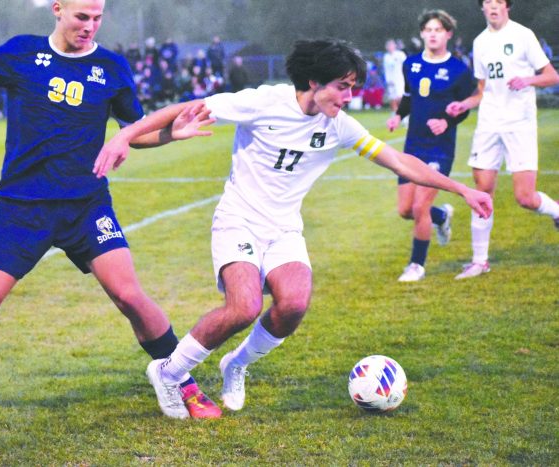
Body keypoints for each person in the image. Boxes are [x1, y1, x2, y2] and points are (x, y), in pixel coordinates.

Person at [0, 0, 220, 420]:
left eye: (98, 17)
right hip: (22, 206)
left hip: (85, 205)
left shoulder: (112, 67)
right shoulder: (22, 53)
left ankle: (181, 380)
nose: (90, 26)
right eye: (82, 16)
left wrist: (170, 135)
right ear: (58, 9)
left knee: (130, 295)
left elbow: (133, 134)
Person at [95, 39, 493, 414]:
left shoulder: (340, 125)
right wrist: (126, 136)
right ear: (315, 82)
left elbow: (402, 162)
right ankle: (168, 372)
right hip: (239, 220)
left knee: (294, 304)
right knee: (244, 307)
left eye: (353, 87)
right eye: (342, 86)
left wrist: (461, 190)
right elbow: (189, 105)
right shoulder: (265, 102)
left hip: (284, 228)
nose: (349, 97)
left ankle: (236, 364)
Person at [447, 0, 559, 279]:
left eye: (498, 1)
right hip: (488, 123)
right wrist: (464, 104)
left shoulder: (523, 35)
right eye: (487, 2)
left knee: (525, 197)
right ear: (482, 8)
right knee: (481, 190)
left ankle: (556, 211)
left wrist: (527, 80)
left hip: (519, 124)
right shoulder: (480, 41)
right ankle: (479, 261)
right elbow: (482, 90)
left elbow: (551, 76)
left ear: (507, 6)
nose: (493, 6)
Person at [386, 10, 474, 282]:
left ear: (448, 34)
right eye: (428, 29)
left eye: (439, 29)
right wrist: (398, 115)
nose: (433, 34)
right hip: (413, 145)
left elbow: (465, 108)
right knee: (405, 210)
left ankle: (416, 265)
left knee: (419, 207)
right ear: (422, 33)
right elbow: (410, 97)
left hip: (440, 148)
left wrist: (448, 121)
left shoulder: (459, 70)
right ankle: (442, 216)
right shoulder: (411, 64)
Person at [382, 38, 407, 113]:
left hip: (400, 79)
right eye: (388, 45)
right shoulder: (386, 57)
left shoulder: (400, 54)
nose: (390, 47)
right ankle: (395, 114)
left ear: (394, 46)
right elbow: (386, 70)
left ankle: (403, 114)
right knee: (392, 99)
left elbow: (406, 65)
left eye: (391, 45)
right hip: (390, 81)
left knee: (400, 97)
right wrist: (387, 80)